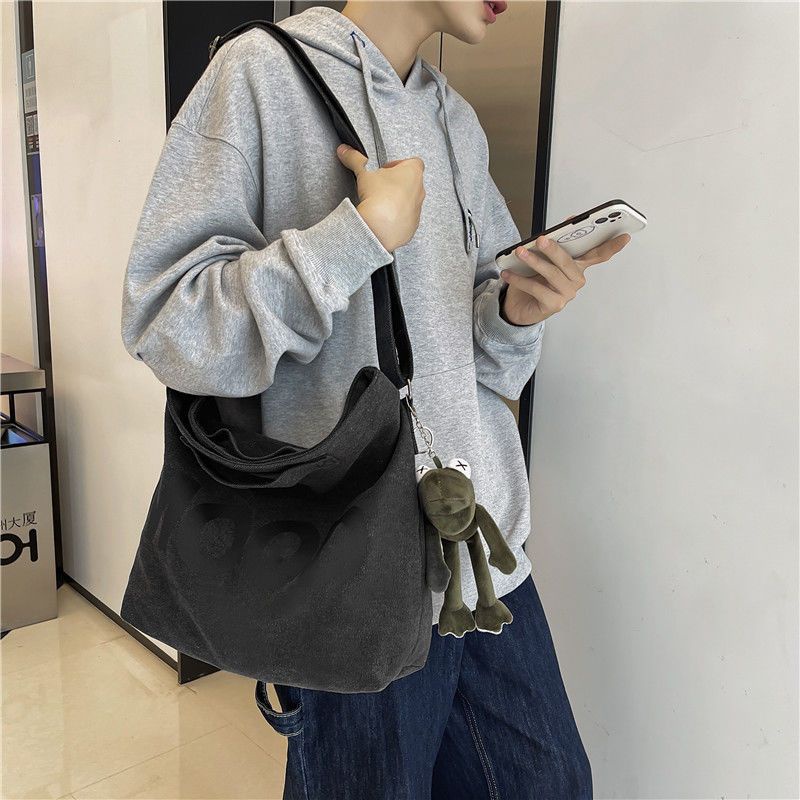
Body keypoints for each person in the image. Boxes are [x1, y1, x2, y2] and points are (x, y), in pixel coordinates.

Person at [121, 1, 630, 797]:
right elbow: (166, 326)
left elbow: (473, 356)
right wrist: (355, 237)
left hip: (480, 556)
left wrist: (512, 313)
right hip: (349, 563)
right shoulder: (259, 74)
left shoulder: (455, 120)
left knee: (553, 781)